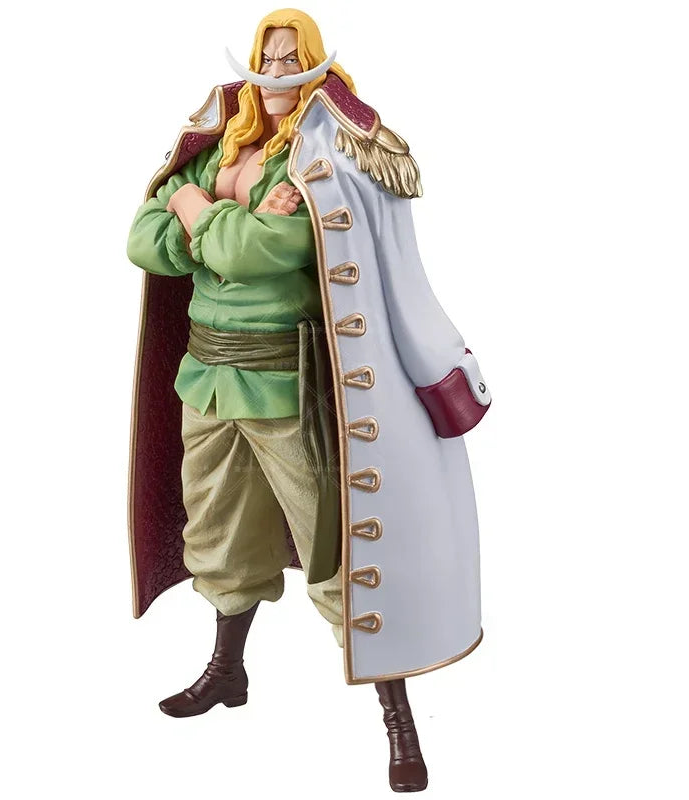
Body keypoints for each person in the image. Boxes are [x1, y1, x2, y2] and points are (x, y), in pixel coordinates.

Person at [126, 9, 491, 793]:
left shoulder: (326, 161)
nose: (280, 71)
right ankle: (227, 670)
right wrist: (203, 212)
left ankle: (397, 716)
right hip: (207, 378)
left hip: (287, 384)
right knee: (221, 532)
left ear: (316, 63)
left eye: (294, 57)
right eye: (270, 55)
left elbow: (259, 254)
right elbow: (143, 239)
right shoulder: (223, 144)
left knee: (340, 551)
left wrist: (200, 212)